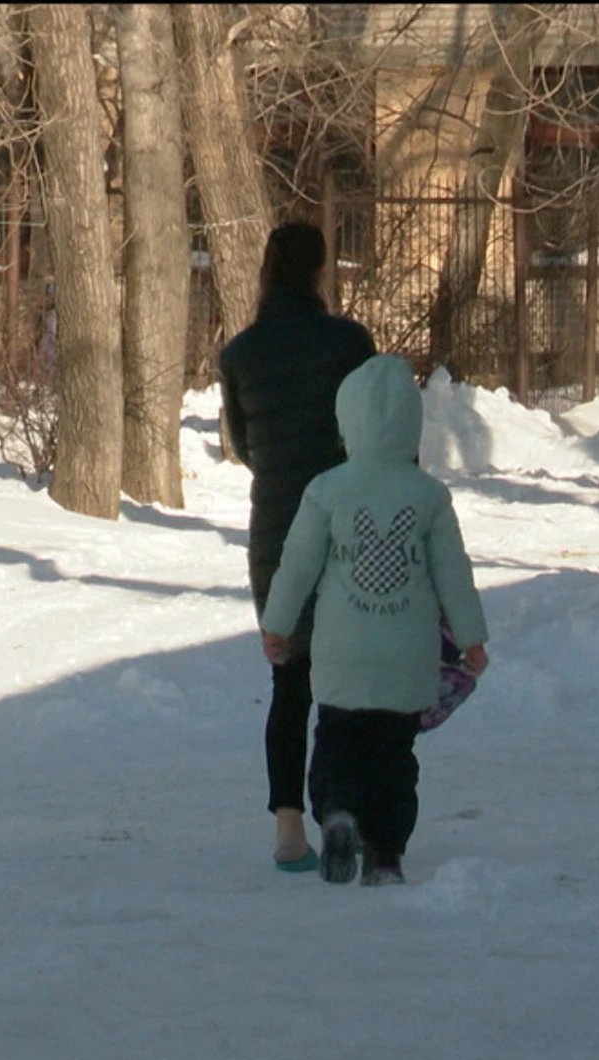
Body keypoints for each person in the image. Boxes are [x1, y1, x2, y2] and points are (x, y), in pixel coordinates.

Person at [259, 354, 490, 886]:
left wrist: (278, 626)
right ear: (412, 426)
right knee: (394, 758)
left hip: (341, 654)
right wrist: (471, 638)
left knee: (337, 740)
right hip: (407, 658)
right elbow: (455, 574)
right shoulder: (429, 496)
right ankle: (385, 852)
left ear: (347, 423)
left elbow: (296, 567)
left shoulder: (326, 490)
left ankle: (337, 812)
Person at [219, 222, 377, 873]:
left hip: (277, 532)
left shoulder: (242, 353)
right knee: (346, 676)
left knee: (290, 680)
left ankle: (288, 828)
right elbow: (376, 429)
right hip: (347, 525)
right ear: (321, 271)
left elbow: (245, 447)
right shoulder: (349, 343)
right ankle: (342, 807)